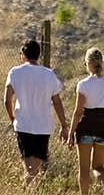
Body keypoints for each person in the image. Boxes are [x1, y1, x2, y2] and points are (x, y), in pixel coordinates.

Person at [4, 38, 69, 186]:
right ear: (38, 55)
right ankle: (30, 194)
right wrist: (64, 125)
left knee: (29, 168)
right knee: (35, 169)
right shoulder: (49, 74)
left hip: (23, 125)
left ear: (23, 55)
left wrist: (12, 117)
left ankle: (27, 194)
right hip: (43, 127)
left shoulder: (15, 72)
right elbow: (57, 102)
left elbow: (7, 99)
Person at [68, 47, 104, 195]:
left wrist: (70, 134)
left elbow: (78, 112)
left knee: (84, 168)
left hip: (86, 126)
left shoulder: (83, 85)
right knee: (98, 166)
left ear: (88, 63)